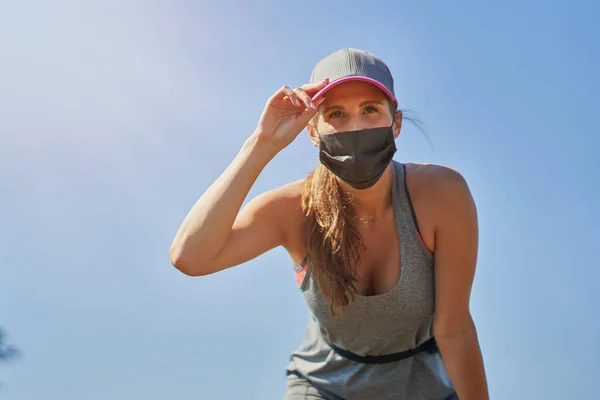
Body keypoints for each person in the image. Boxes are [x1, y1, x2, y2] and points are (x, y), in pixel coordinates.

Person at [170, 48, 489, 400]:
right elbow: (190, 257)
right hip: (322, 388)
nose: (354, 127)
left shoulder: (441, 194)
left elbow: (453, 328)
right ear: (312, 132)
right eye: (336, 114)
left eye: (370, 110)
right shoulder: (295, 209)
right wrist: (261, 144)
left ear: (395, 123)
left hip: (422, 388)